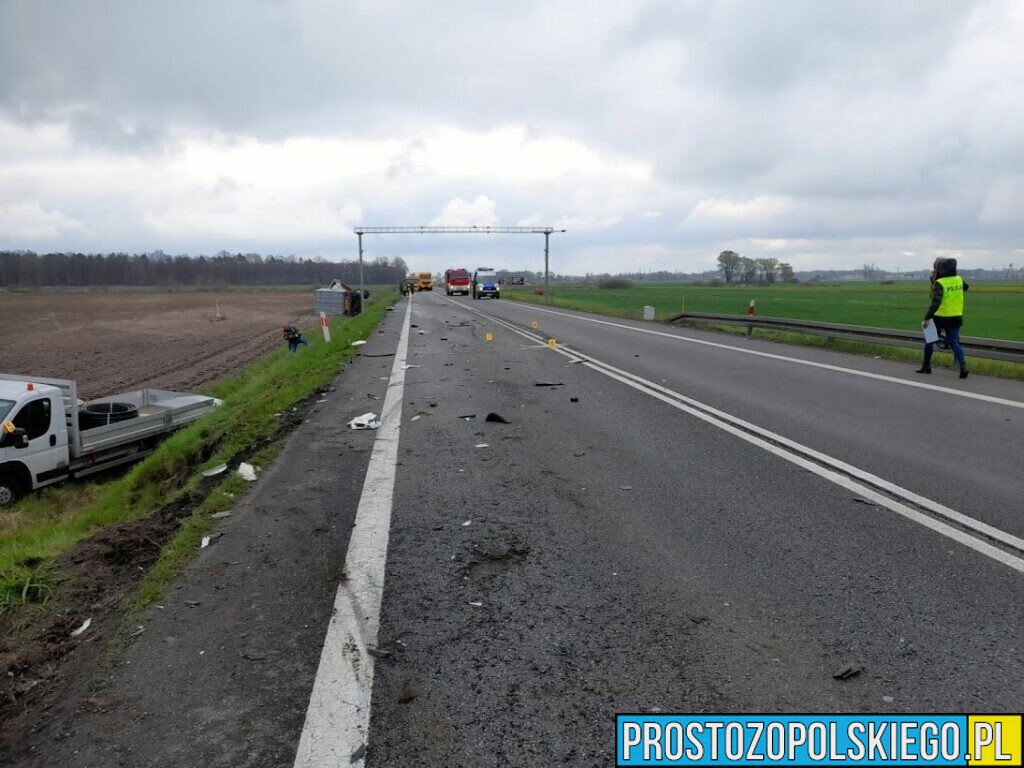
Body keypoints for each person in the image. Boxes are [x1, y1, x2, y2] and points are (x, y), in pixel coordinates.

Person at [917, 257, 969, 378]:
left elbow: (935, 302)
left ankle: (926, 366)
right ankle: (963, 366)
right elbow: (966, 287)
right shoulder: (959, 279)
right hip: (956, 316)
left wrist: (926, 318)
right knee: (954, 342)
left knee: (929, 340)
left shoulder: (939, 283)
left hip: (939, 317)